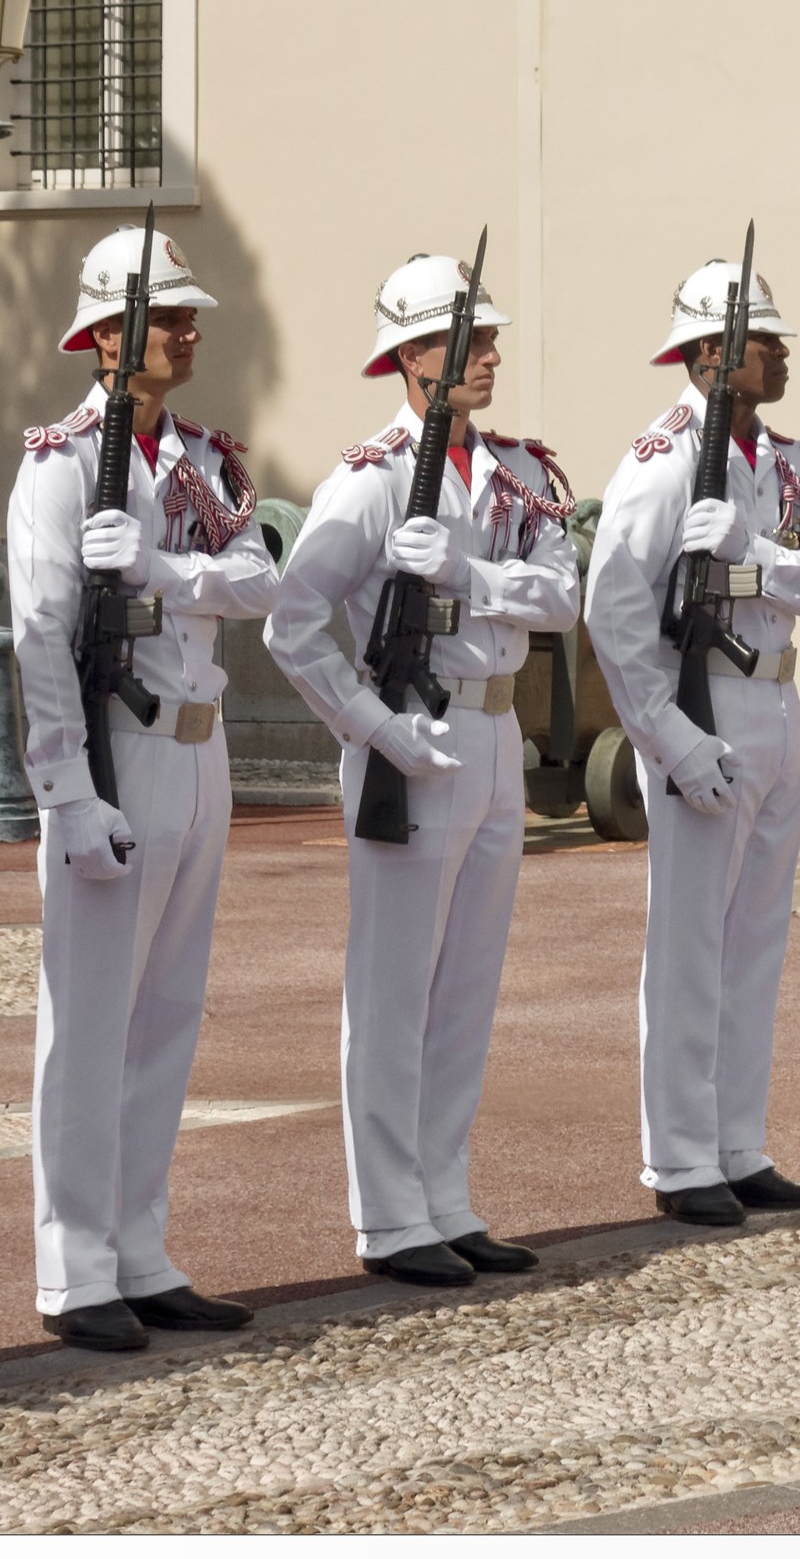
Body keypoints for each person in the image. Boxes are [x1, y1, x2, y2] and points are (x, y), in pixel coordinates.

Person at [263, 254, 579, 1287]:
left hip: (494, 736)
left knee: (468, 987)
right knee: (394, 991)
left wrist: (468, 573)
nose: (490, 356)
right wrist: (368, 727)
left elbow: (563, 598)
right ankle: (392, 1217)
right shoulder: (371, 480)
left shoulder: (517, 473)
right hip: (412, 733)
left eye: (489, 339)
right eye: (469, 341)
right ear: (413, 356)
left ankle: (446, 1195)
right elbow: (292, 624)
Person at [6, 225, 277, 1353]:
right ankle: (76, 1270)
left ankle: (140, 1248)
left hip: (200, 756)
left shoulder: (207, 460)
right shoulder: (62, 463)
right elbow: (39, 630)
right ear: (107, 337)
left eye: (187, 314)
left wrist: (164, 571)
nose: (188, 331)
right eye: (166, 317)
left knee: (166, 1015)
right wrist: (66, 790)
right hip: (115, 751)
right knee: (89, 1025)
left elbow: (261, 579)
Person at [585, 259, 800, 1227]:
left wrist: (754, 553)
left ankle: (739, 1144)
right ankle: (680, 1156)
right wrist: (668, 740)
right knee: (690, 948)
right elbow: (614, 613)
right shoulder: (660, 464)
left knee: (756, 944)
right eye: (763, 340)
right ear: (711, 351)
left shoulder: (788, 464)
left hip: (776, 706)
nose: (781, 354)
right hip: (703, 715)